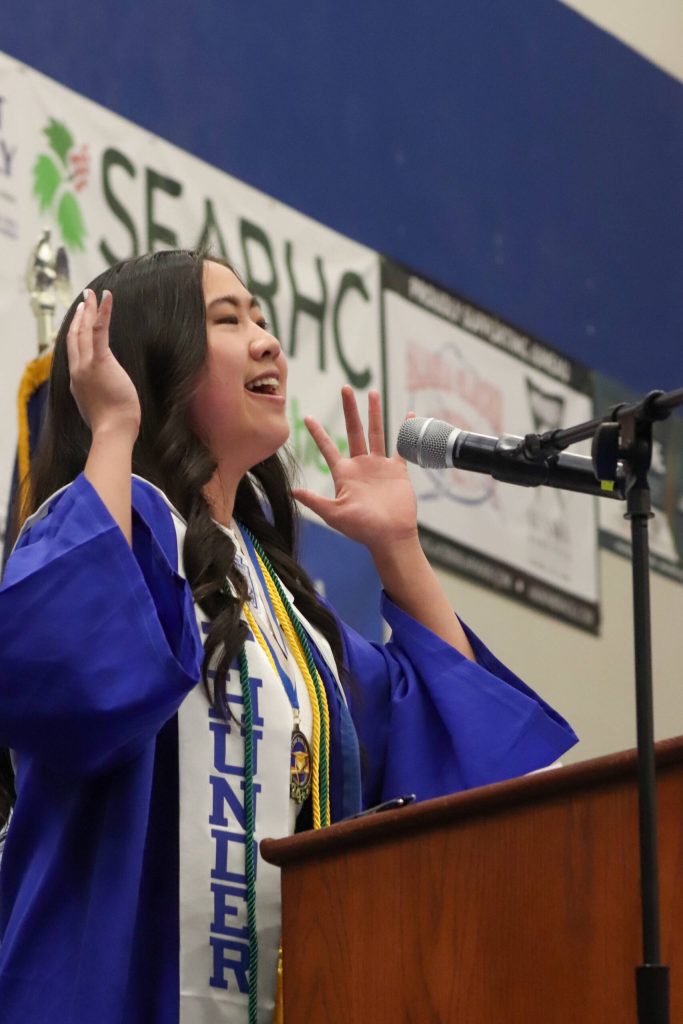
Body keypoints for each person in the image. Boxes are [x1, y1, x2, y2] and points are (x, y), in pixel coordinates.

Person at [0, 250, 577, 1024]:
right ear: (150, 359)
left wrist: (398, 549)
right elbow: (62, 670)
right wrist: (114, 429)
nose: (267, 340)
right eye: (228, 320)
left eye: (264, 318)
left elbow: (458, 750)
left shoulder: (290, 620)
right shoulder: (100, 537)